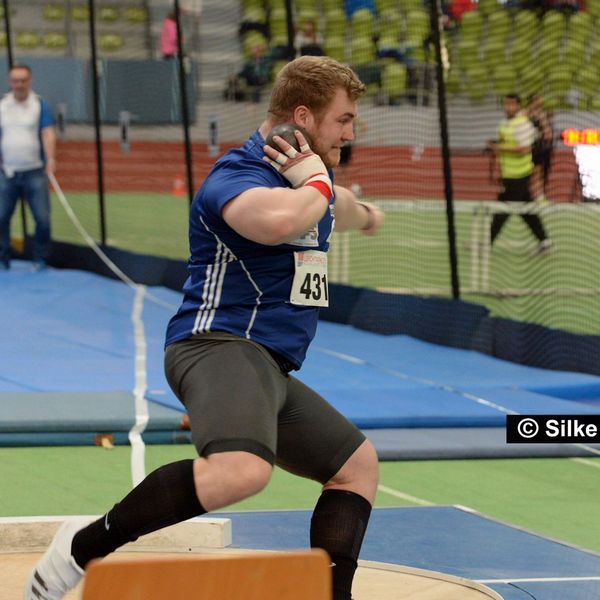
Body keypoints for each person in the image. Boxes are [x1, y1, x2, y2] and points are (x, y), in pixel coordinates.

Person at [25, 55, 384, 600]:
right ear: (305, 116)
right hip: (216, 346)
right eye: (344, 120)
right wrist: (316, 184)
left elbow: (341, 206)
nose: (350, 134)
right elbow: (280, 221)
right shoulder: (236, 176)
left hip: (266, 365)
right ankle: (82, 547)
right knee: (241, 471)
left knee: (355, 467)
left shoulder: (315, 181)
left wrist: (366, 214)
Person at [0, 64, 57, 272]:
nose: (20, 84)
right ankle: (2, 259)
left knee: (42, 219)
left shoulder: (39, 104)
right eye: (16, 80)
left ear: (30, 81)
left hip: (35, 172)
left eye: (23, 80)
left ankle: (40, 259)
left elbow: (47, 132)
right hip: (7, 173)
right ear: (10, 82)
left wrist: (51, 159)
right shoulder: (2, 106)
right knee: (1, 217)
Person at [486, 93, 552, 255]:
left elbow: (524, 149)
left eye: (512, 104)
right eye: (506, 104)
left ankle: (487, 243)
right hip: (508, 173)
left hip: (520, 174)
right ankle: (545, 241)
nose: (508, 107)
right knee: (526, 210)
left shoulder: (522, 124)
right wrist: (496, 147)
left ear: (518, 106)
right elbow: (504, 143)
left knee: (504, 208)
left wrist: (499, 148)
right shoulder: (504, 124)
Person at [526, 93, 554, 204]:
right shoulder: (524, 115)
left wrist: (544, 120)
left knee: (538, 173)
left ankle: (538, 197)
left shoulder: (541, 115)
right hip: (525, 149)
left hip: (538, 149)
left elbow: (548, 135)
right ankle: (528, 197)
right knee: (526, 175)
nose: (539, 102)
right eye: (536, 100)